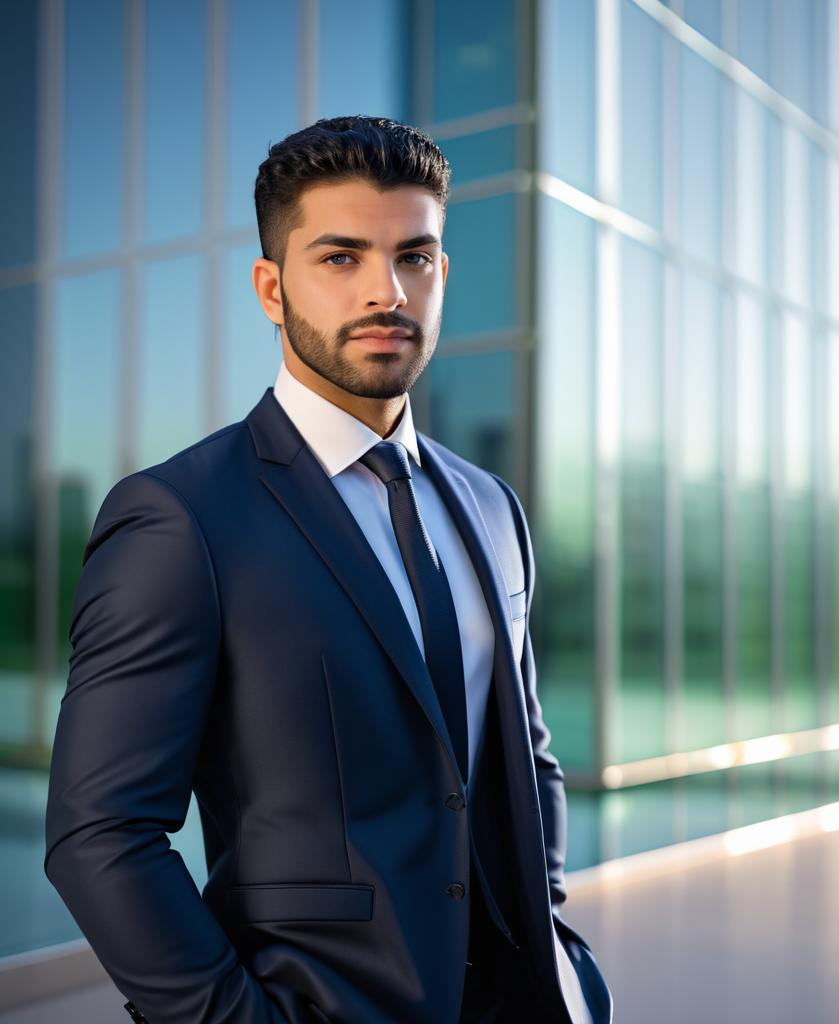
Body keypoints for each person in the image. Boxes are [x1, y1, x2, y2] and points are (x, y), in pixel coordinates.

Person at [43, 115, 613, 1024]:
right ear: (272, 288)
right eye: (341, 257)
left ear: (441, 276)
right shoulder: (181, 519)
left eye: (413, 257)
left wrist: (552, 941)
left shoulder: (490, 509)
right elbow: (99, 833)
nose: (386, 291)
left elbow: (525, 757)